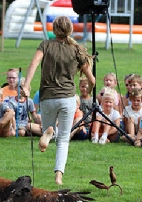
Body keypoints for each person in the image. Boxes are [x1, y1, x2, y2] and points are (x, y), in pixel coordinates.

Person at [23, 16, 95, 185]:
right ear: (70, 30)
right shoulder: (76, 49)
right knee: (63, 139)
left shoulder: (45, 45)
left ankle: (48, 132)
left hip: (47, 97)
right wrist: (90, 91)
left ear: (54, 29)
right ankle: (58, 176)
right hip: (68, 98)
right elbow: (91, 79)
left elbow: (33, 64)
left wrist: (26, 85)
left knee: (49, 128)